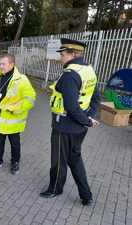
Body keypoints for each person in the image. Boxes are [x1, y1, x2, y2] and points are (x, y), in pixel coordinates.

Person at [39, 38, 100, 206]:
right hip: (80, 126)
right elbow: (95, 97)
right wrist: (88, 118)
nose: (60, 58)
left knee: (59, 160)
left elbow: (71, 107)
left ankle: (55, 189)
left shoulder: (70, 74)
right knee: (75, 158)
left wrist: (86, 120)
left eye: (63, 54)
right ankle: (86, 195)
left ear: (72, 54)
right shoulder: (88, 70)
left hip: (64, 125)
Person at [0, 53, 36, 174]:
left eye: (4, 64)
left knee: (14, 143)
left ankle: (15, 162)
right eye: (0, 63)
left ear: (12, 64)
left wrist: (17, 109)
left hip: (12, 119)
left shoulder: (21, 79)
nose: (1, 66)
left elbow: (31, 97)